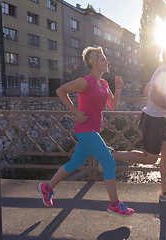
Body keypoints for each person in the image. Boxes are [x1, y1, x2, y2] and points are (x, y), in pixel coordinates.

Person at [37, 46, 134, 216]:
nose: (107, 61)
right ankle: (114, 205)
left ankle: (47, 187)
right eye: (103, 59)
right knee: (109, 162)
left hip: (92, 130)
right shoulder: (85, 81)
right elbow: (61, 91)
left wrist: (118, 88)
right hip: (86, 130)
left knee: (74, 164)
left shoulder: (103, 83)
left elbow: (113, 105)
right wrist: (75, 111)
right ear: (93, 62)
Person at [112, 42, 166, 202]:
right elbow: (153, 94)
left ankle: (165, 193)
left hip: (158, 118)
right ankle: (112, 155)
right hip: (153, 120)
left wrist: (162, 107)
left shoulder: (163, 70)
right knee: (150, 158)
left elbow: (147, 90)